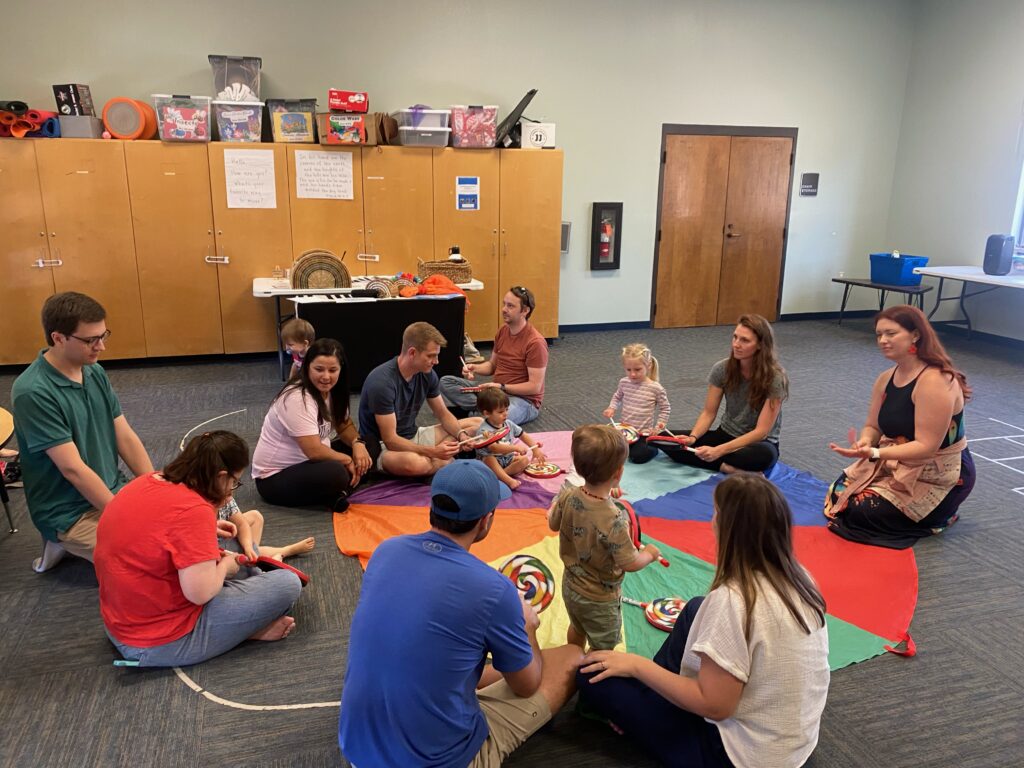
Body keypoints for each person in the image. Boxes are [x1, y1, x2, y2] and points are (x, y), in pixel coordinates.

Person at [577, 473, 830, 768]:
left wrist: (636, 666)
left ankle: (650, 707)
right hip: (791, 741)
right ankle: (654, 700)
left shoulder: (733, 601)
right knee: (695, 608)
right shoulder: (801, 578)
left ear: (728, 530)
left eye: (716, 513)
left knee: (588, 675)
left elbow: (716, 706)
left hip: (738, 756)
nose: (712, 520)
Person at [338, 460, 582, 767]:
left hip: (357, 747)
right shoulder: (495, 589)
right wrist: (528, 627)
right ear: (485, 521)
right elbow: (527, 685)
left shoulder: (387, 550)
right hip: (439, 760)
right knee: (570, 657)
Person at [94, 431, 303, 667]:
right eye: (234, 482)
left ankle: (242, 620)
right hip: (157, 642)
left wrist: (208, 529)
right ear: (221, 476)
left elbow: (155, 531)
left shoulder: (149, 480)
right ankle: (244, 629)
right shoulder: (194, 510)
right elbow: (200, 594)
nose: (232, 490)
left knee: (233, 542)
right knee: (288, 583)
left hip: (120, 622)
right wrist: (225, 567)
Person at [11, 292, 153, 572]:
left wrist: (154, 486)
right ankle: (60, 541)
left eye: (103, 336)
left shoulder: (94, 371)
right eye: (90, 340)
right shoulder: (33, 392)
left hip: (111, 488)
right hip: (68, 512)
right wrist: (125, 518)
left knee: (178, 530)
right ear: (58, 338)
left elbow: (124, 436)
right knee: (149, 557)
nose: (101, 346)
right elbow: (72, 469)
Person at [824, 304, 974, 548]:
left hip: (938, 472)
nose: (883, 340)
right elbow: (873, 426)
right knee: (838, 494)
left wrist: (875, 452)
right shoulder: (886, 377)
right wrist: (866, 441)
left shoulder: (935, 380)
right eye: (879, 335)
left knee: (862, 511)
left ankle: (943, 514)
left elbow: (926, 447)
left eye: (891, 333)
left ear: (915, 335)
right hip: (897, 460)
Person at [548, 425, 662, 650]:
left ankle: (572, 657)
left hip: (571, 586)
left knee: (577, 627)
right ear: (618, 474)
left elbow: (553, 524)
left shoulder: (567, 495)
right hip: (599, 599)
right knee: (602, 647)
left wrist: (554, 507)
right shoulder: (615, 519)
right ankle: (590, 670)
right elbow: (630, 562)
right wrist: (649, 553)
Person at [253, 338, 371, 512]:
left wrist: (357, 443)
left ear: (341, 369)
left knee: (370, 445)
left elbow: (344, 426)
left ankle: (335, 493)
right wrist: (347, 460)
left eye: (333, 370)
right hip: (275, 477)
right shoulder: (297, 398)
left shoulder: (334, 390)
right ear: (307, 367)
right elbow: (314, 451)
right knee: (337, 472)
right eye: (319, 369)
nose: (326, 377)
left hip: (311, 463)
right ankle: (337, 490)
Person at [661, 314, 788, 474]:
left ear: (760, 345)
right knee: (664, 439)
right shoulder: (722, 369)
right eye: (735, 337)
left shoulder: (775, 378)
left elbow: (761, 432)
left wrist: (719, 451)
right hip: (726, 433)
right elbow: (708, 413)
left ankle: (716, 459)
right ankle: (728, 468)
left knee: (763, 456)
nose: (736, 344)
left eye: (745, 340)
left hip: (758, 443)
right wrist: (693, 438)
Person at [358, 322, 482, 477]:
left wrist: (461, 435)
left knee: (478, 423)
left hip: (413, 435)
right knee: (415, 464)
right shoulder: (382, 383)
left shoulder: (427, 374)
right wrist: (433, 452)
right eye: (431, 356)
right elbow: (390, 440)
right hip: (383, 446)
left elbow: (443, 413)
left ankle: (443, 457)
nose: (436, 361)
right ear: (412, 353)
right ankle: (445, 459)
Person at [439, 286, 548, 426]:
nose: (504, 309)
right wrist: (474, 367)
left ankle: (479, 413)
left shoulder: (535, 343)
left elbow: (534, 387)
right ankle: (482, 412)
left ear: (525, 311)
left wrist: (501, 387)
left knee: (497, 419)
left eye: (510, 306)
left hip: (522, 400)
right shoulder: (503, 331)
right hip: (496, 392)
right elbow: (492, 366)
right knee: (446, 382)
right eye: (504, 304)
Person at [603, 342, 672, 464]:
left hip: (643, 433)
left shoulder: (656, 388)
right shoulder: (624, 382)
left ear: (648, 365)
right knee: (605, 448)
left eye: (637, 369)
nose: (632, 374)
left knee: (638, 456)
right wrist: (611, 408)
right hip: (625, 431)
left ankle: (654, 448)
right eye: (628, 370)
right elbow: (617, 396)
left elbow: (665, 408)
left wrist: (658, 427)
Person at [475, 387, 547, 491]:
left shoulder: (508, 424)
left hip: (507, 458)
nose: (506, 414)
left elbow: (523, 435)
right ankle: (508, 480)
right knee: (489, 459)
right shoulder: (484, 430)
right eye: (500, 412)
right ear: (487, 413)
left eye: (507, 409)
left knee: (524, 460)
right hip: (491, 460)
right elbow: (494, 448)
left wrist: (535, 449)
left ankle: (500, 475)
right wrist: (515, 448)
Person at [216, 496, 314, 562]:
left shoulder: (226, 495)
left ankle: (252, 554)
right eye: (232, 483)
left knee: (256, 517)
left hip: (222, 533)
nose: (232, 493)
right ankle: (285, 551)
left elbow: (241, 524)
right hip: (218, 548)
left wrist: (248, 546)